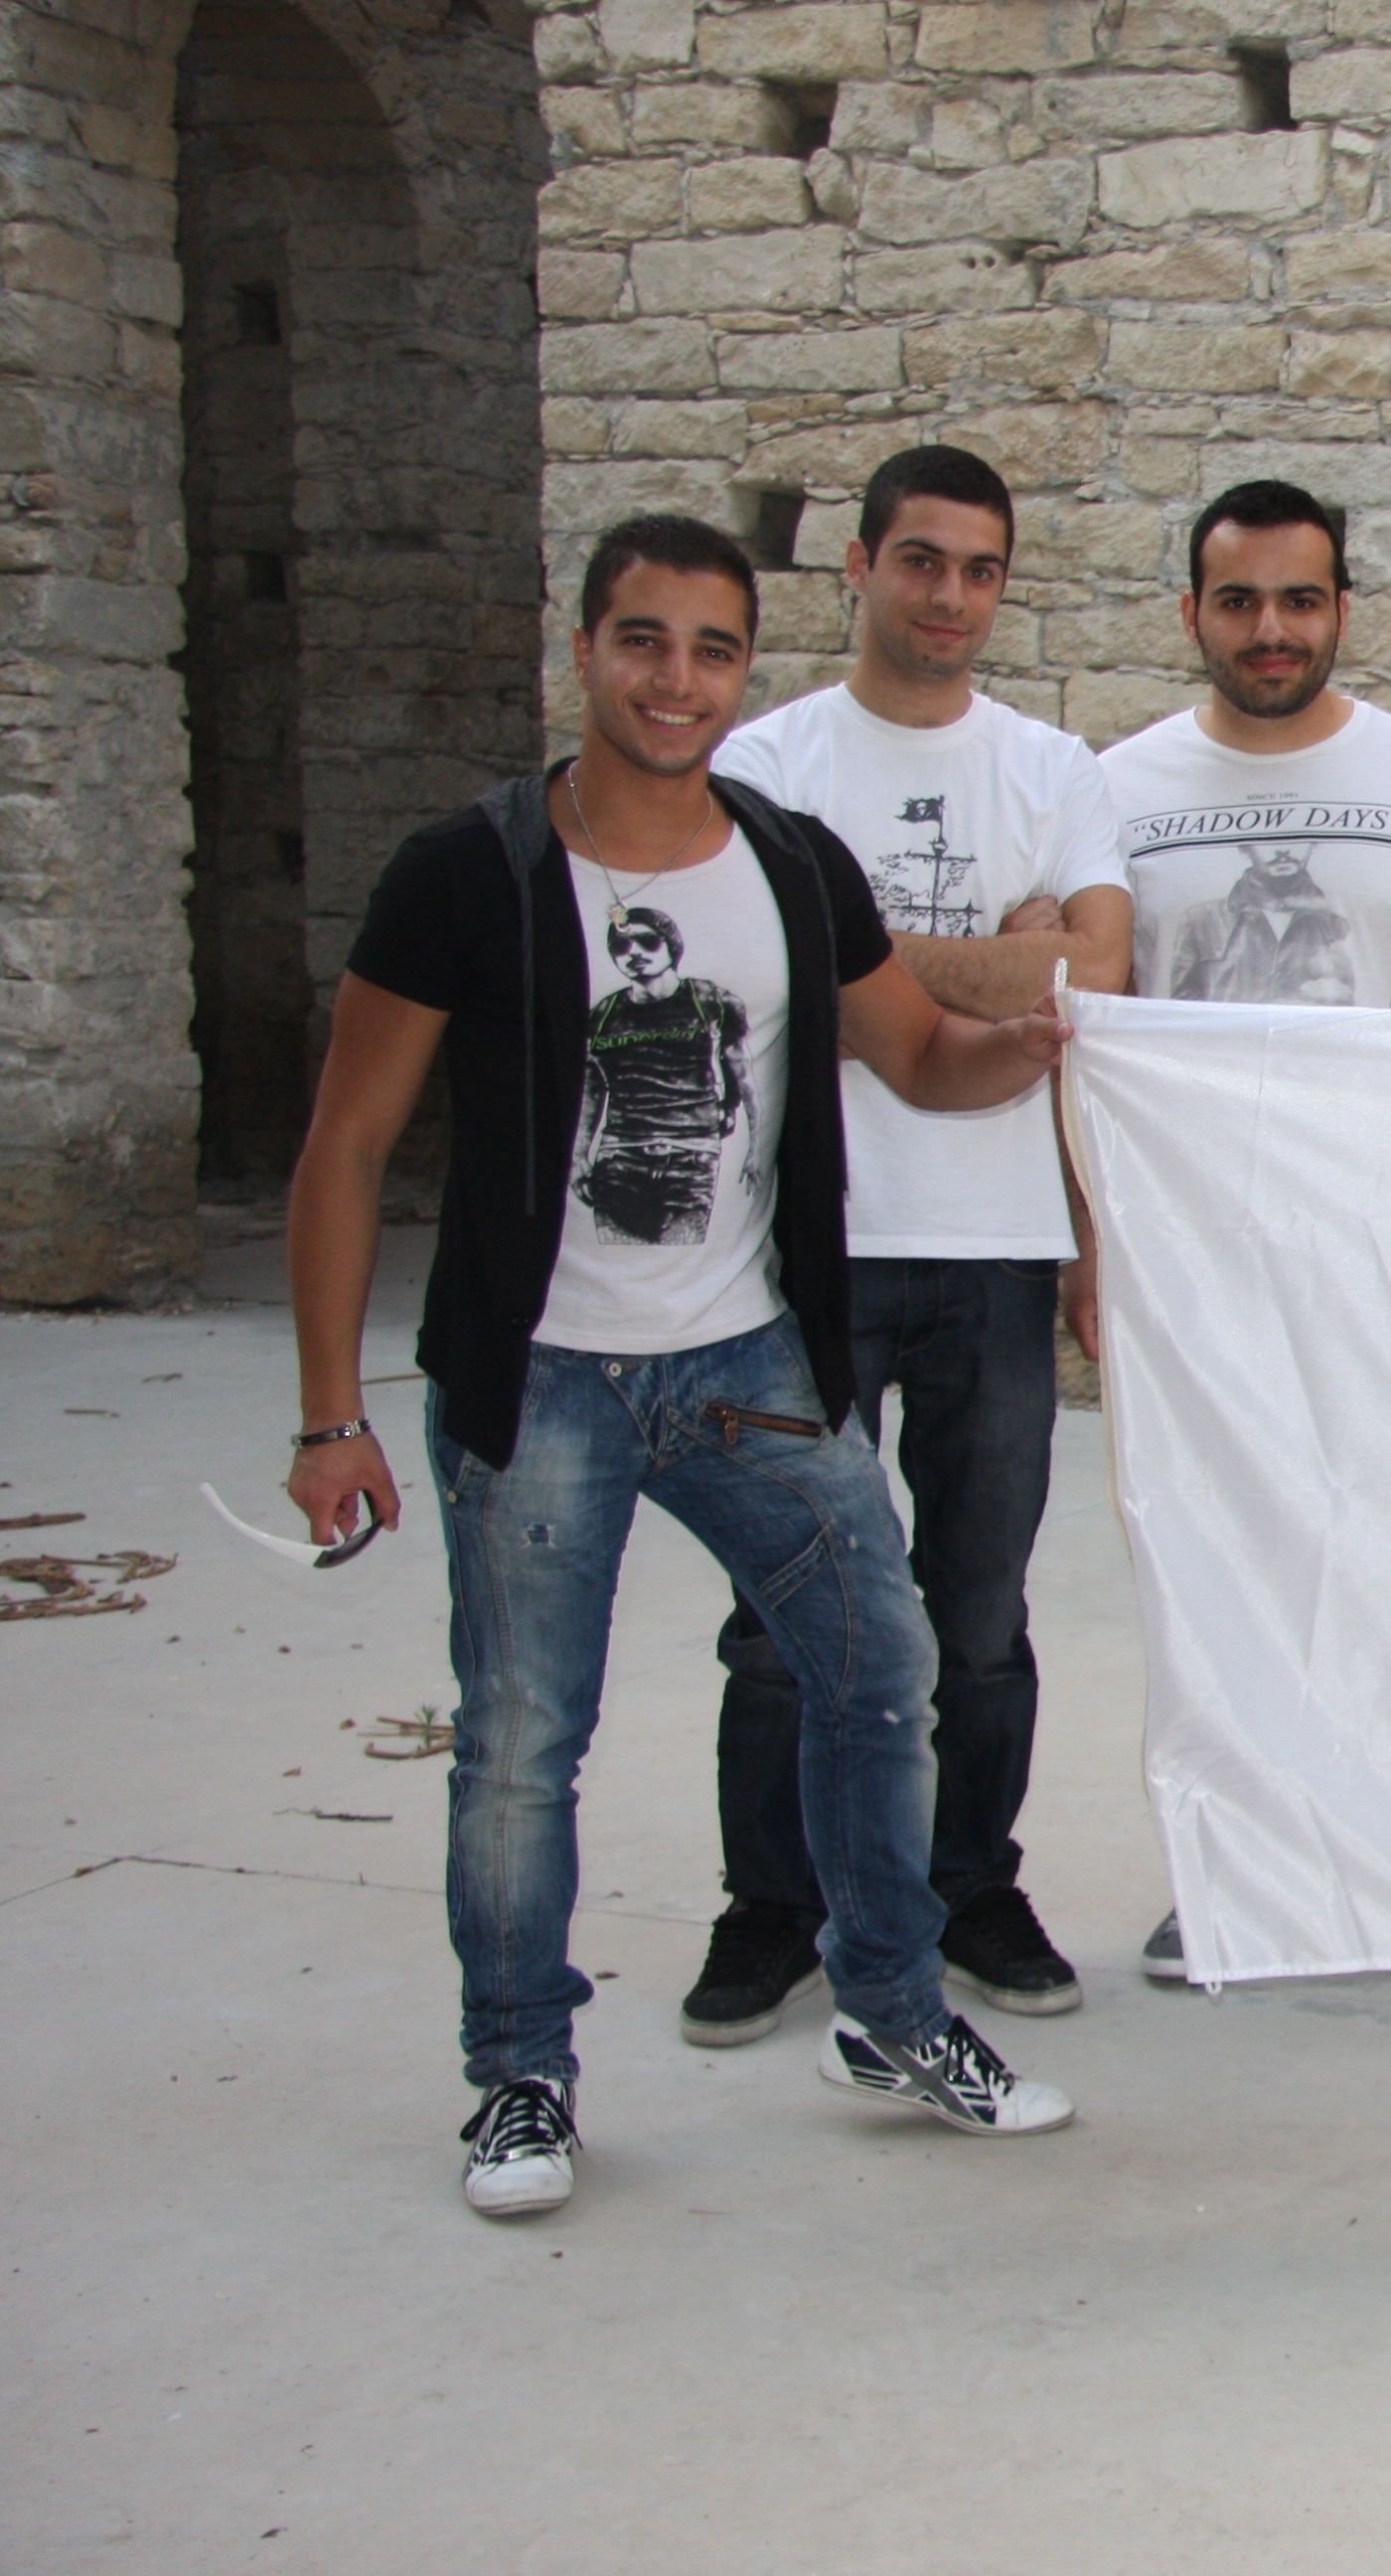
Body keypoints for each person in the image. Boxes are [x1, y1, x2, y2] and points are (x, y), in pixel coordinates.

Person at [283, 514, 1081, 2217]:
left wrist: (1023, 1046)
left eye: (713, 649)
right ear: (584, 648)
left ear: (743, 668)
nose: (677, 680)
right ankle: (520, 2078)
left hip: (748, 1365)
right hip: (540, 1382)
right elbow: (343, 1146)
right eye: (644, 641)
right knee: (522, 1744)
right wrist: (329, 1415)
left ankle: (888, 2010)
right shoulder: (468, 871)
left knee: (881, 1666)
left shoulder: (789, 864)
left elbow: (918, 1056)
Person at [680, 444, 1133, 2046]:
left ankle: (969, 1890)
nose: (950, 595)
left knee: (980, 1610)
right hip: (803, 1245)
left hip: (996, 1245)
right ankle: (774, 1906)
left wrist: (875, 958)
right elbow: (770, 968)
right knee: (783, 1602)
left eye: (980, 569)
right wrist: (991, 960)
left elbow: (1094, 979)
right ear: (860, 566)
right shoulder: (770, 758)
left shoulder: (1053, 769)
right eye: (922, 560)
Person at [1096, 478, 1391, 1985]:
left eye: (1298, 600)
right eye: (1238, 601)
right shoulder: (1116, 790)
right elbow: (1094, 1035)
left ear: (1342, 608)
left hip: (1384, 1247)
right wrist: (1093, 1252)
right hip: (1192, 1260)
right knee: (1220, 1567)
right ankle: (1236, 1876)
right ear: (1193, 614)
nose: (1269, 629)